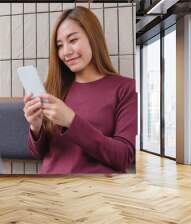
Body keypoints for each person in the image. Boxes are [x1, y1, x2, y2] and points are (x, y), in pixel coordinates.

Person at [23, 6, 137, 174]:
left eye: (73, 40)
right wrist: (36, 127)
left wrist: (72, 121)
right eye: (60, 45)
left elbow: (124, 157)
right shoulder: (52, 88)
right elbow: (39, 154)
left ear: (93, 37)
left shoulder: (125, 88)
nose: (66, 52)